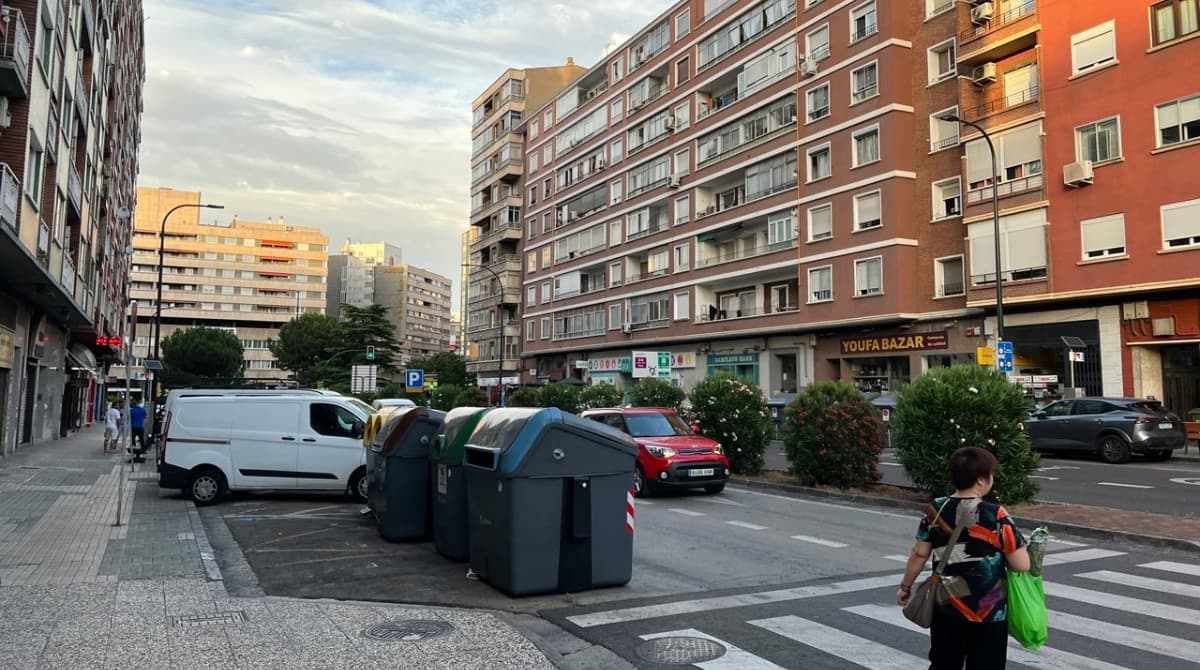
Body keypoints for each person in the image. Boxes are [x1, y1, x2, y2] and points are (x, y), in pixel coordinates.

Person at [896, 446, 1031, 670]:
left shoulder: (936, 509)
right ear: (980, 480)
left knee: (944, 664)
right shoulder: (996, 514)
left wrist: (905, 587)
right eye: (990, 474)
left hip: (946, 608)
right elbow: (1021, 564)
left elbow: (919, 553)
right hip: (988, 613)